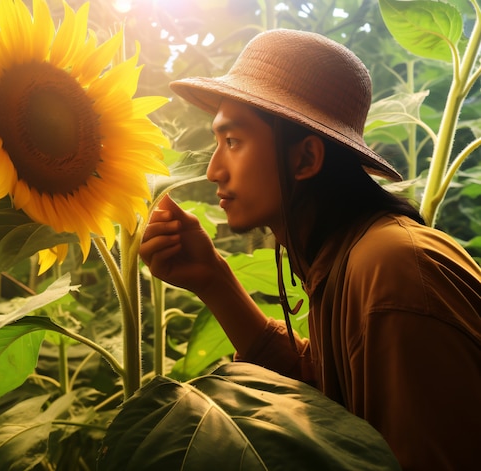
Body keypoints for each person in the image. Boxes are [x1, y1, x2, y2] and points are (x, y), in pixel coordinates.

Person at [140, 29, 481, 470]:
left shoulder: (392, 271)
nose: (212, 170)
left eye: (233, 142)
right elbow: (327, 399)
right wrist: (213, 278)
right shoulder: (347, 257)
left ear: (305, 159)